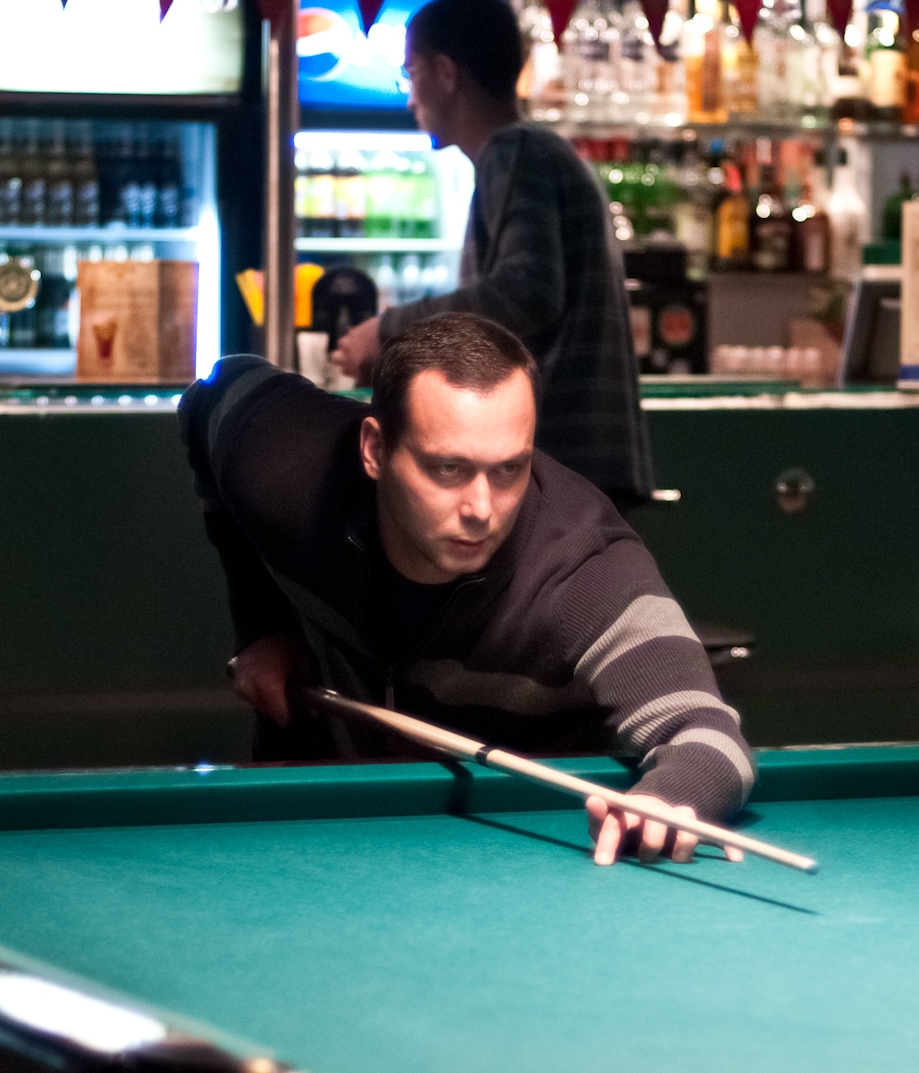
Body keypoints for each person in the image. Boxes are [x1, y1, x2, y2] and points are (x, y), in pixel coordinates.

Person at [180, 311, 751, 867]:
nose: (481, 509)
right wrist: (263, 623)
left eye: (509, 470)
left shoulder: (585, 569)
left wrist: (668, 798)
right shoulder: (285, 464)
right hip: (315, 835)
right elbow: (209, 394)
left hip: (523, 853)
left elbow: (706, 732)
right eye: (448, 469)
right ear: (375, 449)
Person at [331, 0, 653, 512]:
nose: (410, 100)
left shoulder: (514, 151)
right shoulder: (534, 151)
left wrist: (388, 331)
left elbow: (525, 293)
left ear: (446, 73)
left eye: (412, 75)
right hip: (585, 462)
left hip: (561, 466)